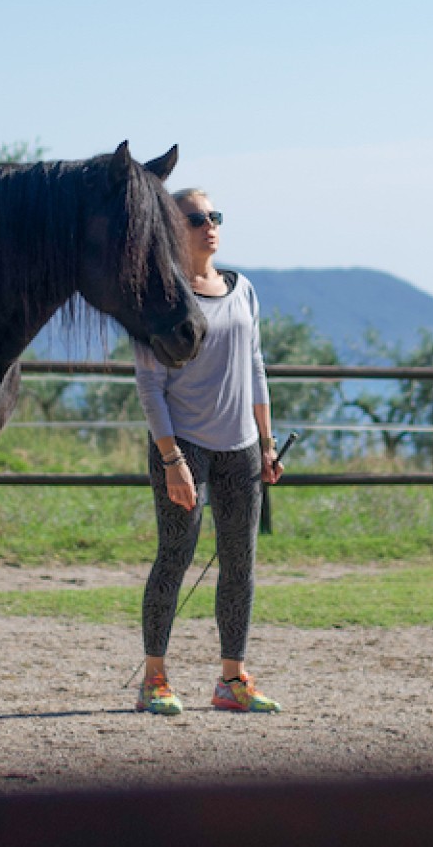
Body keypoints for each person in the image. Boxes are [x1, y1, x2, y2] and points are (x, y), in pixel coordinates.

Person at [132, 188, 285, 715]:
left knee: (240, 566)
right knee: (174, 559)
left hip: (240, 447)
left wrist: (266, 442)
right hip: (185, 447)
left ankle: (232, 680)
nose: (209, 226)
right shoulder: (159, 297)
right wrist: (172, 459)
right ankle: (155, 679)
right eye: (196, 219)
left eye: (214, 217)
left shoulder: (243, 290)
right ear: (174, 228)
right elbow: (150, 388)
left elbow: (256, 366)